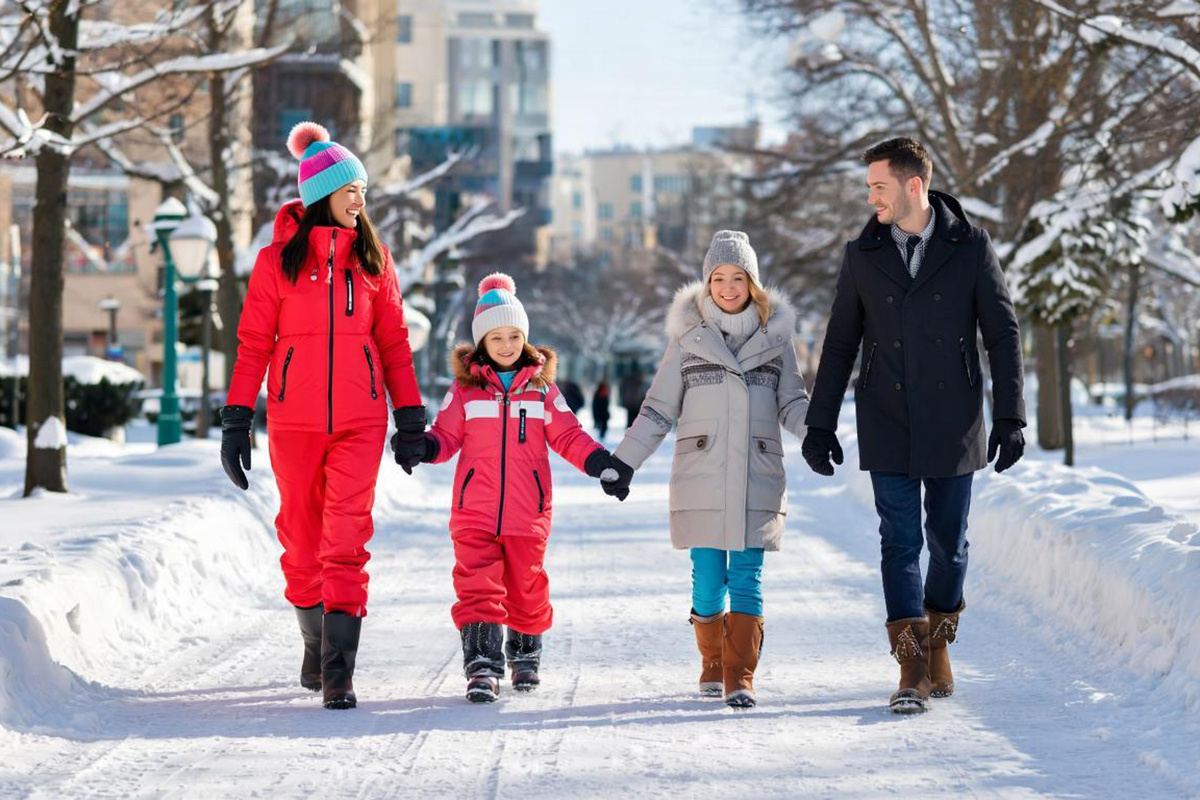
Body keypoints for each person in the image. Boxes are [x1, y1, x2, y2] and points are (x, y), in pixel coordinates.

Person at [801, 137, 1026, 714]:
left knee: (948, 547)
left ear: (913, 186)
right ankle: (911, 665)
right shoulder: (862, 254)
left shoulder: (970, 246)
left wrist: (1009, 417)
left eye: (878, 185)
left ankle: (938, 636)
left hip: (954, 423)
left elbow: (1002, 333)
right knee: (898, 541)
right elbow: (841, 343)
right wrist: (820, 424)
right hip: (886, 416)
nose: (870, 195)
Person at [219, 121, 426, 710]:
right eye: (349, 189)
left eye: (362, 190)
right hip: (293, 421)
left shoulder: (374, 261)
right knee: (301, 541)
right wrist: (237, 417)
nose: (360, 200)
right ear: (319, 197)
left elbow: (393, 344)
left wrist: (409, 416)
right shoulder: (274, 263)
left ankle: (340, 670)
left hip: (361, 420)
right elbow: (253, 343)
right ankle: (314, 641)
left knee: (346, 537)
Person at [393, 273, 627, 702]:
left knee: (526, 585)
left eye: (514, 335)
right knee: (477, 584)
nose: (506, 345)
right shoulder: (464, 392)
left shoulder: (542, 390)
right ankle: (482, 665)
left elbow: (568, 435)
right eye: (496, 336)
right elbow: (446, 438)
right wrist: (422, 447)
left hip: (527, 510)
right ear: (481, 342)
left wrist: (599, 463)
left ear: (526, 337)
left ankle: (524, 653)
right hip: (474, 509)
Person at [604, 231, 809, 708]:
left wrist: (816, 434)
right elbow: (658, 408)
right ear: (707, 282)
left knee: (746, 575)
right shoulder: (687, 339)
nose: (729, 287)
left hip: (757, 473)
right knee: (707, 577)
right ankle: (713, 663)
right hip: (702, 474)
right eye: (719, 277)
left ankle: (741, 676)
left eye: (739, 277)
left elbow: (793, 401)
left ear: (753, 283)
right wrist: (624, 461)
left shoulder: (776, 340)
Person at [619, 364, 646, 429]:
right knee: (636, 420)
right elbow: (643, 391)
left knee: (630, 419)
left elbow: (622, 390)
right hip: (637, 403)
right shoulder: (639, 379)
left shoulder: (626, 379)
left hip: (629, 403)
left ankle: (629, 431)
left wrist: (623, 400)